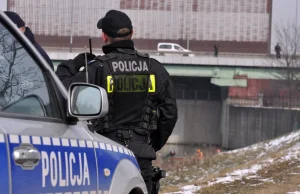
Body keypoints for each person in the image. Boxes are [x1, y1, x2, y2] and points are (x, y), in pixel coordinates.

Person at [56, 10, 178, 193]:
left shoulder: (97, 69)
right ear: (132, 33)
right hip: (141, 156)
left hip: (106, 154)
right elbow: (169, 113)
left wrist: (72, 65)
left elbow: (62, 90)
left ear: (105, 36)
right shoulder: (154, 68)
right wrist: (150, 144)